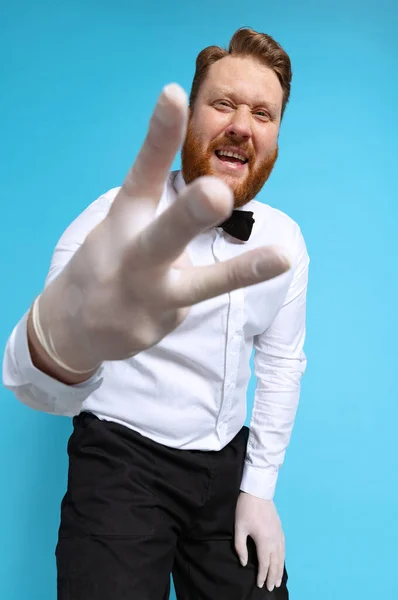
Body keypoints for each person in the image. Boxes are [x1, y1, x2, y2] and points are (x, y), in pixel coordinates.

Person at [2, 27, 309, 600]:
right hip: (121, 462)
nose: (242, 124)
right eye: (223, 104)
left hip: (225, 467)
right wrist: (60, 345)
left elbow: (283, 364)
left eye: (263, 113)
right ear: (192, 116)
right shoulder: (109, 224)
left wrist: (259, 489)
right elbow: (24, 380)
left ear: (275, 134)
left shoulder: (285, 241)